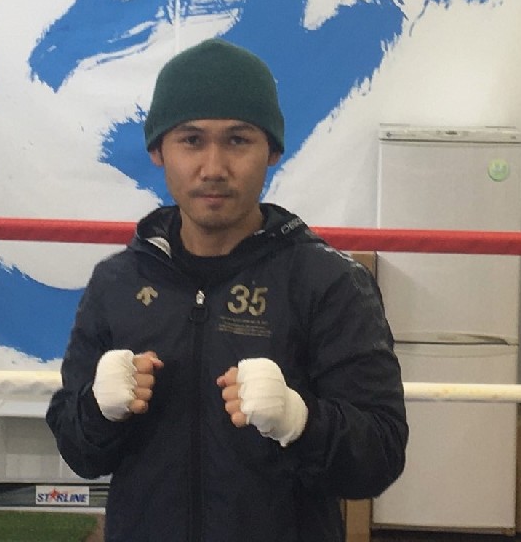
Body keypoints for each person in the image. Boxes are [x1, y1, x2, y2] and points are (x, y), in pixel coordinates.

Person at [46, 38, 408, 542]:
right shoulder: (117, 282)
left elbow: (380, 458)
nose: (214, 167)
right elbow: (79, 453)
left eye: (238, 140)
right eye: (191, 140)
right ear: (158, 151)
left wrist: (300, 422)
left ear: (272, 151)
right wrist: (97, 410)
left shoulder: (329, 283)